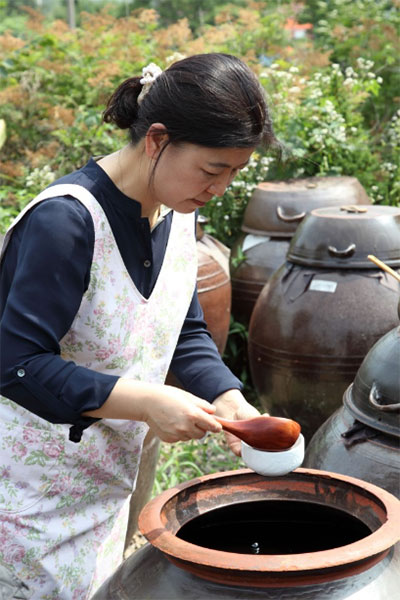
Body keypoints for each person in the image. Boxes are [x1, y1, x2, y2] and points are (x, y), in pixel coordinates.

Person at [0, 52, 278, 599]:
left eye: (234, 173)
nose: (220, 187)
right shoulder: (66, 222)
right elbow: (15, 365)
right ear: (156, 139)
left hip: (103, 488)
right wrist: (146, 402)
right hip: (26, 504)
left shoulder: (178, 210)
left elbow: (182, 330)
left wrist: (229, 399)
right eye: (212, 169)